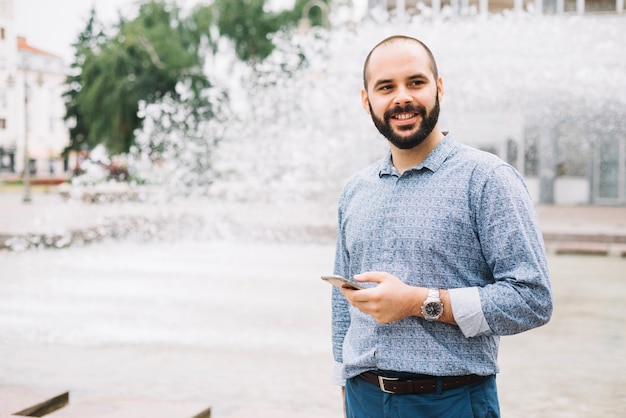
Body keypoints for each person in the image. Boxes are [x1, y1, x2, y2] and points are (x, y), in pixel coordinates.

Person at [331, 35, 553, 417]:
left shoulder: (487, 179)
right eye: (386, 87)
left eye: (415, 82)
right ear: (367, 100)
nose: (402, 97)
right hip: (363, 398)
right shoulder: (355, 190)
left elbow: (533, 299)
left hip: (451, 400)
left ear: (439, 87)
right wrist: (343, 383)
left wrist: (419, 302)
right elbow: (341, 307)